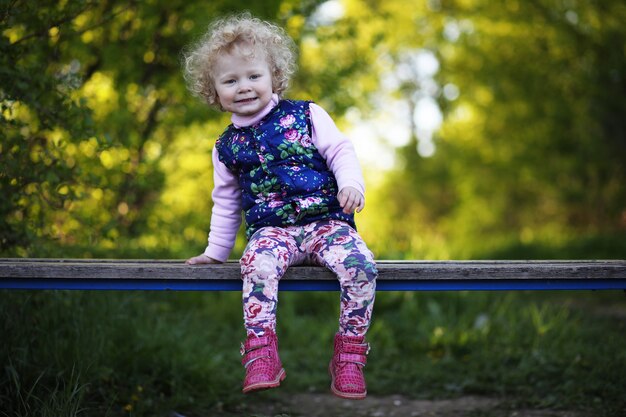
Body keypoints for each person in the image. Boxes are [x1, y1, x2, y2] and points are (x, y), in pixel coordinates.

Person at [183, 13, 377, 400]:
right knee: (256, 264)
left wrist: (351, 183)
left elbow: (340, 150)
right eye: (230, 80)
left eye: (254, 76)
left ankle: (349, 356)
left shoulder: (306, 114)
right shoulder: (226, 147)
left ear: (274, 74)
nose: (244, 87)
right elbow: (225, 202)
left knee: (362, 267)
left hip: (326, 222)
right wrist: (216, 252)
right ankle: (261, 352)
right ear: (214, 91)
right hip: (272, 232)